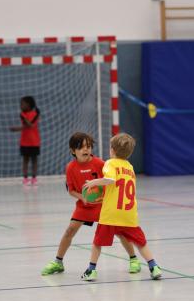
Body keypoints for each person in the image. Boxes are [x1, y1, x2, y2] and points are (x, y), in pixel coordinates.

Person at [41, 132, 141, 276]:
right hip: (84, 206)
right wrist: (82, 197)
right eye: (81, 147)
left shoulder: (101, 164)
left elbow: (112, 182)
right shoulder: (70, 168)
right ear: (72, 151)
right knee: (70, 231)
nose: (86, 150)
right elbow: (71, 191)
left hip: (104, 206)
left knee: (120, 232)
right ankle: (58, 262)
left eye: (88, 146)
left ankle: (134, 259)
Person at [81, 133, 162, 281]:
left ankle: (91, 270)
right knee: (141, 243)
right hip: (129, 214)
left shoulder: (110, 163)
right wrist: (105, 196)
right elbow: (119, 189)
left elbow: (110, 180)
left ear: (112, 150)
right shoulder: (130, 167)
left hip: (111, 215)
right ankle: (154, 266)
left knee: (97, 243)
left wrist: (94, 182)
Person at [10, 96, 40, 185]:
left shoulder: (35, 114)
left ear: (29, 105)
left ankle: (34, 178)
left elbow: (30, 125)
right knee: (25, 160)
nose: (21, 106)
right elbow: (26, 126)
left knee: (34, 160)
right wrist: (17, 129)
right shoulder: (22, 114)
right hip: (24, 141)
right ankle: (25, 178)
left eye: (22, 104)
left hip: (34, 141)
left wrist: (17, 128)